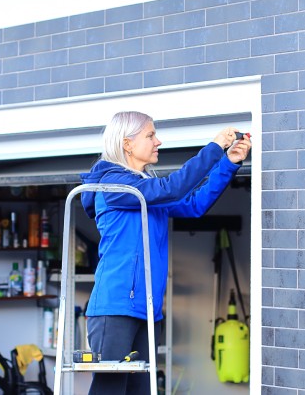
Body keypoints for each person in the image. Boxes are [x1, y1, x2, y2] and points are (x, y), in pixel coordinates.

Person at [79, 111, 251, 395]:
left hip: (148, 310)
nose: (158, 141)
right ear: (127, 144)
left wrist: (228, 163)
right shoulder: (114, 186)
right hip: (115, 306)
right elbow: (171, 188)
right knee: (110, 390)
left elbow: (193, 205)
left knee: (141, 391)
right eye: (150, 135)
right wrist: (213, 149)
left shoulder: (145, 190)